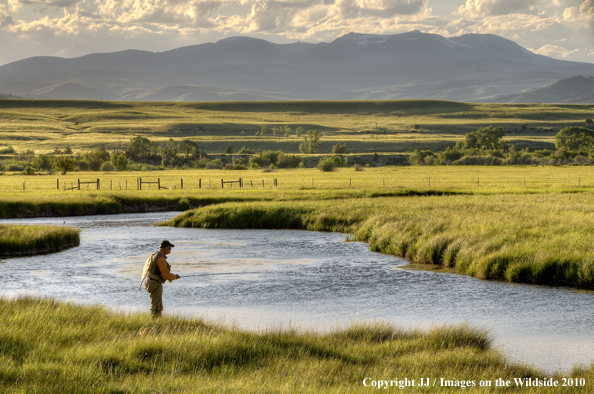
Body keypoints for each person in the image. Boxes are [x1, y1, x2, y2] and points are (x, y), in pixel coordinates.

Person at [142, 240, 181, 317]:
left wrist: (171, 275)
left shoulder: (155, 255)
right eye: (169, 248)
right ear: (165, 249)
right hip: (155, 283)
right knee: (157, 307)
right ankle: (155, 323)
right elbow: (165, 276)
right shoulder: (161, 259)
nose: (170, 249)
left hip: (149, 281)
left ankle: (155, 321)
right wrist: (174, 277)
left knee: (155, 305)